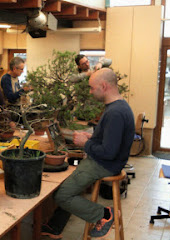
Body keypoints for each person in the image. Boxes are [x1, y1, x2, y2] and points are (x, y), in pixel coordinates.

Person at [42, 68, 135, 239]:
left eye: (92, 88)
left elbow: (108, 152)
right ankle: (55, 226)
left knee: (61, 194)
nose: (91, 92)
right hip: (106, 162)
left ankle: (105, 214)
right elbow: (111, 140)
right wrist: (92, 137)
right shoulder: (117, 107)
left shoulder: (115, 113)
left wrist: (86, 144)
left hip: (104, 165)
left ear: (104, 86)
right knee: (68, 184)